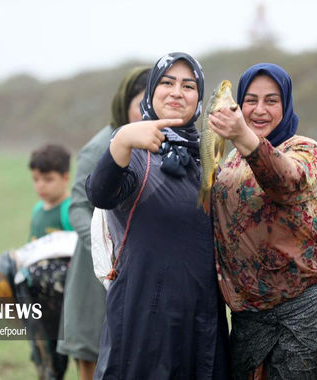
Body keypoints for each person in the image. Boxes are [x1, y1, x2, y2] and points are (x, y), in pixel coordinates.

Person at [86, 52, 230, 379]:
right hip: (143, 322)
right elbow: (100, 194)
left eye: (188, 85)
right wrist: (122, 140)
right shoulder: (135, 153)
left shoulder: (207, 157)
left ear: (199, 99)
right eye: (167, 82)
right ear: (152, 91)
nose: (177, 92)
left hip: (201, 320)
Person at [208, 63, 317, 380]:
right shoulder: (230, 159)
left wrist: (243, 136)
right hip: (248, 317)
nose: (259, 110)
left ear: (286, 104)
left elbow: (285, 180)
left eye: (271, 100)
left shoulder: (307, 151)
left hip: (302, 312)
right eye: (251, 100)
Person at [56, 66, 150, 380]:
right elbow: (78, 208)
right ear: (124, 103)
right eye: (142, 100)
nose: (148, 107)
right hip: (97, 277)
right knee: (95, 361)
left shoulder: (160, 145)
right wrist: (106, 248)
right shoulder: (100, 147)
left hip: (139, 273)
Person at [17, 143, 74, 380]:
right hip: (35, 296)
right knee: (41, 354)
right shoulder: (37, 210)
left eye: (48, 179)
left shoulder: (69, 210)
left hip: (62, 301)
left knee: (59, 354)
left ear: (65, 177)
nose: (40, 185)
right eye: (36, 179)